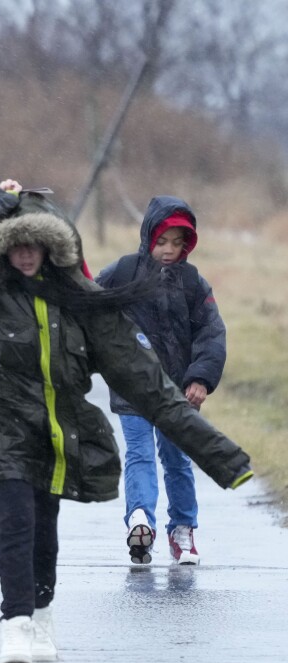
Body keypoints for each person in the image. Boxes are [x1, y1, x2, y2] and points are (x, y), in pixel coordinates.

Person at [0, 179, 253, 663]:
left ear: (52, 247)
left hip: (58, 429)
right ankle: (14, 625)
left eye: (35, 244)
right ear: (2, 247)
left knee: (44, 523)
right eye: (14, 244)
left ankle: (41, 615)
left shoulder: (80, 302)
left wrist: (223, 457)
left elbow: (152, 388)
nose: (24, 255)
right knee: (16, 515)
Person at [97, 197, 224, 566]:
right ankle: (140, 522)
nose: (169, 250)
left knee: (177, 458)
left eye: (177, 243)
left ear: (187, 244)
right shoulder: (122, 272)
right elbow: (87, 301)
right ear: (148, 236)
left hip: (177, 391)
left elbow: (212, 333)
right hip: (133, 386)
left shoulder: (192, 283)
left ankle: (182, 530)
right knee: (139, 454)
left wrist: (200, 378)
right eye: (162, 241)